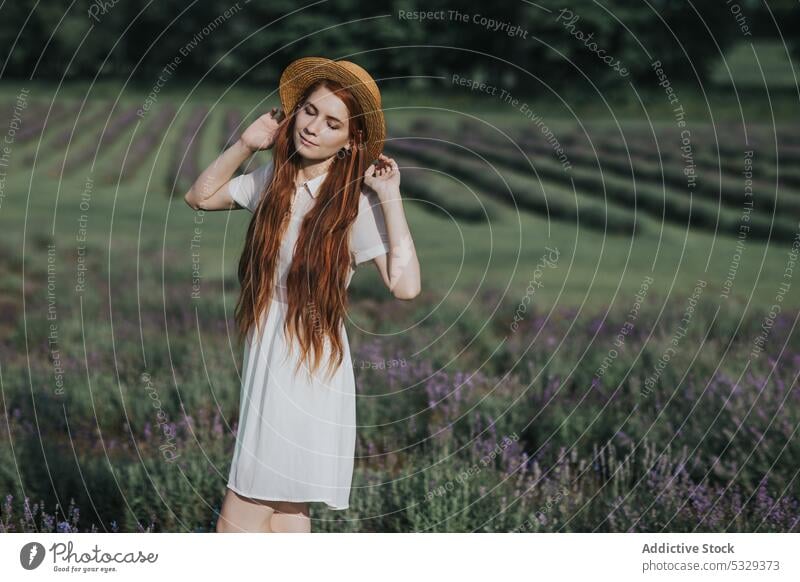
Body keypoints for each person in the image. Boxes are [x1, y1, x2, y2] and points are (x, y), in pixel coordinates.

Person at [184, 57, 421, 532]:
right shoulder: (271, 181)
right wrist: (247, 144)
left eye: (332, 122)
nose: (313, 128)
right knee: (288, 515)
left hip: (309, 359)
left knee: (239, 518)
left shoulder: (354, 203)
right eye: (310, 112)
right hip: (268, 345)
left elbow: (407, 286)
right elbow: (201, 196)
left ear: (351, 139)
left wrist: (390, 196)